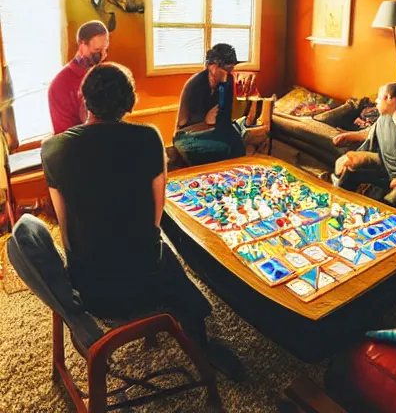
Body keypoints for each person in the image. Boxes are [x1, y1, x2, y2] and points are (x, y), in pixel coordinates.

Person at [41, 62, 244, 381]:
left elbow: (65, 230)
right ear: (128, 102)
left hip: (89, 287)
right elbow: (155, 218)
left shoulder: (52, 149)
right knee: (173, 268)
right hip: (145, 283)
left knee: (153, 255)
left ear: (85, 100)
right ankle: (202, 343)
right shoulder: (149, 138)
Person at [331, 83, 396, 197]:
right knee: (349, 170)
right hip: (383, 165)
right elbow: (369, 140)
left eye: (379, 98)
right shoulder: (382, 120)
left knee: (391, 197)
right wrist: (354, 154)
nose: (376, 102)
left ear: (389, 98)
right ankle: (337, 195)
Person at [173, 43, 246, 166]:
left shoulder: (227, 80)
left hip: (213, 129)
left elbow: (224, 116)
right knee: (224, 146)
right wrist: (209, 119)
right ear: (212, 66)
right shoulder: (195, 84)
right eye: (226, 70)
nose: (229, 74)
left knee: (235, 141)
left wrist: (223, 85)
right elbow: (199, 119)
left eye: (231, 70)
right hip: (189, 134)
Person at [48, 20, 109, 134]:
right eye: (97, 50)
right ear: (82, 47)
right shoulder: (61, 84)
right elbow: (65, 136)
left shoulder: (103, 74)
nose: (103, 56)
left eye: (105, 50)